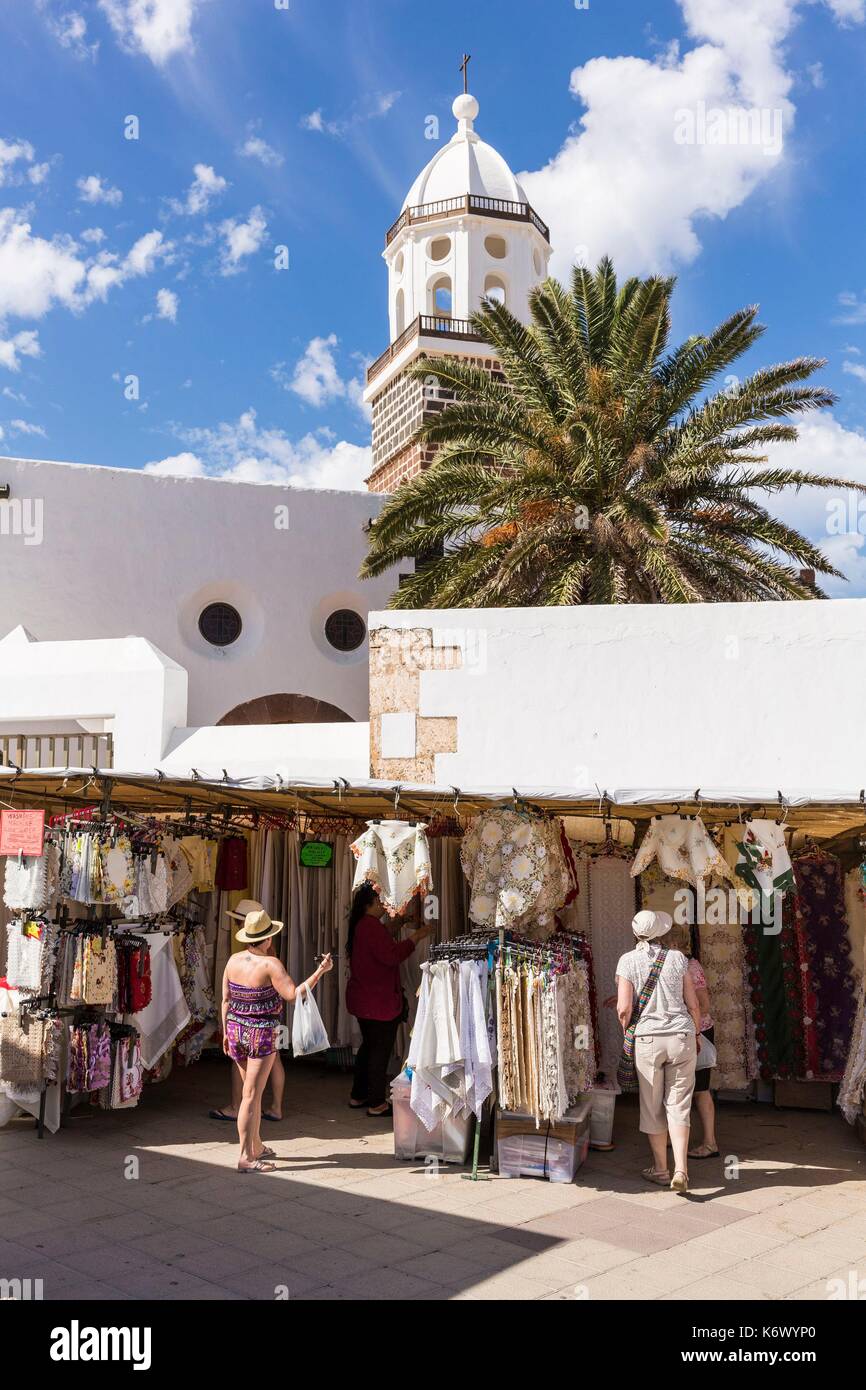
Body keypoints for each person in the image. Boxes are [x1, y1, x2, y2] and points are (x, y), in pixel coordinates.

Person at [222, 907, 333, 1172]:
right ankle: (245, 1157)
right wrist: (321, 971)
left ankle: (256, 1146)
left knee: (253, 1095)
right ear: (268, 938)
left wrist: (225, 1032)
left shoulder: (233, 960)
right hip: (261, 1034)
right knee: (251, 1095)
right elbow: (293, 995)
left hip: (236, 1029)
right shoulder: (271, 965)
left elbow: (226, 1000)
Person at [615, 909, 702, 1194]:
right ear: (661, 933)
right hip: (681, 1035)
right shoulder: (677, 958)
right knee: (679, 1105)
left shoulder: (627, 961)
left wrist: (627, 1032)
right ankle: (682, 1169)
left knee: (652, 1107)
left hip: (648, 1039)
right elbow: (693, 1003)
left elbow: (624, 1008)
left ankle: (662, 1170)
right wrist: (697, 1032)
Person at [346, 883, 433, 1117]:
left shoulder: (363, 924)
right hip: (378, 1001)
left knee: (368, 1047)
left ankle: (359, 1095)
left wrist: (401, 922)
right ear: (372, 904)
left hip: (364, 999)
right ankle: (376, 1103)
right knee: (379, 1051)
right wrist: (417, 937)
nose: (385, 905)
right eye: (381, 901)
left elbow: (382, 940)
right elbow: (391, 955)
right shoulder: (370, 927)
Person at [210, 899, 285, 1126]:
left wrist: (225, 1028)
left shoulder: (248, 956)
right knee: (276, 1060)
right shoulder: (269, 953)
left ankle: (237, 1108)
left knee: (242, 1066)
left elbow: (226, 998)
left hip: (250, 1022)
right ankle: (276, 1107)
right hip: (269, 1018)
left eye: (238, 922)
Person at [666, 925, 719, 1161]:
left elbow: (704, 1004)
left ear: (674, 945)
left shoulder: (690, 966)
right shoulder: (678, 964)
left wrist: (688, 1023)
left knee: (700, 1090)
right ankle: (676, 1137)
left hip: (698, 1031)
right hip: (685, 1031)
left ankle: (710, 1142)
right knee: (680, 1089)